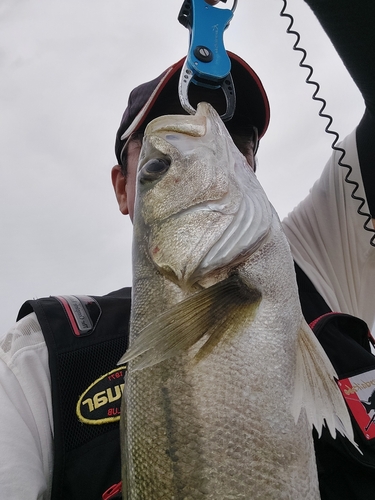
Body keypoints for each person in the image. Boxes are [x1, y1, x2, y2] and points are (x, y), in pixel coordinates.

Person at [1, 0, 374, 499]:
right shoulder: (36, 359)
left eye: (238, 136)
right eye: (158, 166)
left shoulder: (319, 258)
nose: (209, 129)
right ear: (122, 187)